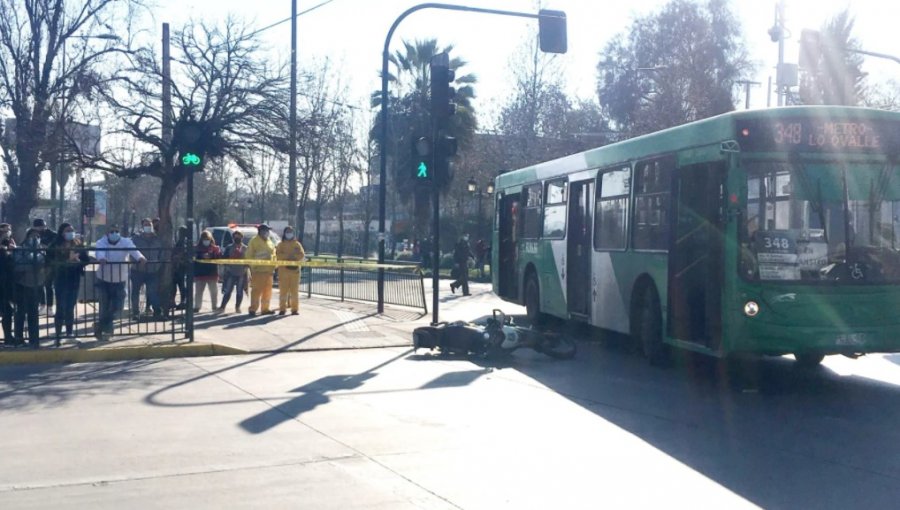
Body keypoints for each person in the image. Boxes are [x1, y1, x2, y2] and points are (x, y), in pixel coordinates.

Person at [95, 226, 146, 341]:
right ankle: (106, 331)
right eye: (111, 231)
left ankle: (101, 325)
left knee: (118, 307)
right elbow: (100, 252)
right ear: (107, 233)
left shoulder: (126, 242)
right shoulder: (101, 242)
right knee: (104, 306)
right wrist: (102, 259)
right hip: (104, 279)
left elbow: (134, 250)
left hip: (120, 279)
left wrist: (141, 257)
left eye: (116, 231)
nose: (114, 233)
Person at [47, 223, 89, 345]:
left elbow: (86, 259)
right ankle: (58, 335)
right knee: (61, 307)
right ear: (62, 232)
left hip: (74, 278)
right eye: (67, 230)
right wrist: (67, 260)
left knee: (70, 307)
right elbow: (50, 261)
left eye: (72, 230)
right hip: (60, 279)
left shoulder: (78, 244)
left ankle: (69, 333)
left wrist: (78, 261)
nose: (70, 232)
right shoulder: (55, 245)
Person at [14, 228, 47, 348]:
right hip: (22, 285)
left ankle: (34, 340)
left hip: (36, 285)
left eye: (37, 236)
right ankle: (19, 339)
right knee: (21, 313)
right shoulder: (20, 250)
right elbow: (18, 266)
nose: (35, 239)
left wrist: (35, 264)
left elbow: (43, 265)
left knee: (33, 314)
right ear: (27, 237)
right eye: (32, 236)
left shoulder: (42, 251)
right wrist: (32, 263)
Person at [130, 218, 163, 319]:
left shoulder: (158, 239)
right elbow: (132, 252)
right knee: (135, 292)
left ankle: (157, 312)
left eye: (149, 224)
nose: (148, 226)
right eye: (146, 224)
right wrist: (136, 263)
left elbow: (161, 254)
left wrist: (157, 265)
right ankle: (136, 313)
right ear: (142, 226)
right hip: (137, 270)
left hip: (153, 270)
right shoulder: (136, 239)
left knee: (152, 292)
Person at [245, 224, 276, 316]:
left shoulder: (269, 241)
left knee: (267, 292)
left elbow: (274, 255)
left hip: (269, 271)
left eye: (268, 231)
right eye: (266, 230)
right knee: (256, 291)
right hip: (258, 270)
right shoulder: (254, 241)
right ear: (261, 231)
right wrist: (254, 266)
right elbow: (248, 255)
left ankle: (265, 309)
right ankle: (253, 309)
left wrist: (274, 265)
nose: (267, 232)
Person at [275, 226, 306, 315]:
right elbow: (278, 255)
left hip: (295, 272)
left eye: (291, 232)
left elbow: (301, 255)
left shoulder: (297, 244)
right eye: (287, 232)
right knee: (283, 291)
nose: (289, 233)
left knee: (294, 291)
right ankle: (282, 309)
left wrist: (294, 258)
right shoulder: (280, 245)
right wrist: (287, 257)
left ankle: (294, 309)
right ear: (284, 233)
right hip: (283, 271)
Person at [218, 230, 249, 313]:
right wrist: (227, 267)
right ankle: (222, 307)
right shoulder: (229, 247)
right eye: (235, 236)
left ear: (242, 238)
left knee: (239, 291)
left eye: (239, 236)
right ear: (233, 238)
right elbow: (224, 259)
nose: (237, 238)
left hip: (241, 273)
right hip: (231, 272)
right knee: (228, 291)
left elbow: (248, 260)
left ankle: (237, 307)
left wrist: (246, 268)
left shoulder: (245, 248)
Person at [193, 230, 222, 313]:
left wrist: (214, 254)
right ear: (201, 239)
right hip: (200, 274)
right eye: (204, 239)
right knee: (198, 292)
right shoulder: (197, 248)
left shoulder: (215, 248)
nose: (206, 241)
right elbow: (194, 259)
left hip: (212, 274)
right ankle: (197, 307)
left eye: (208, 239)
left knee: (214, 292)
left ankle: (214, 306)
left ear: (211, 239)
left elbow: (219, 258)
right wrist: (200, 256)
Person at [32, 218, 57, 311]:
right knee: (39, 284)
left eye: (42, 226)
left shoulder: (52, 234)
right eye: (38, 227)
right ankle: (42, 304)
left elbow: (53, 247)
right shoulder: (32, 234)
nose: (40, 229)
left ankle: (50, 306)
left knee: (49, 284)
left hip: (50, 262)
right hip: (39, 262)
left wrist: (44, 246)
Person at [0, 223, 16, 345]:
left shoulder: (8, 244)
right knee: (6, 311)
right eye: (4, 231)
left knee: (7, 311)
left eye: (8, 231)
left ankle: (8, 337)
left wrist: (12, 251)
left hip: (5, 284)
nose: (7, 233)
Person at [171, 226, 189, 310]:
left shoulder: (185, 242)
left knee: (182, 285)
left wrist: (180, 258)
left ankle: (183, 301)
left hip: (182, 267)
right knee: (174, 285)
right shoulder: (178, 242)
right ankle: (172, 301)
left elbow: (186, 254)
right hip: (175, 267)